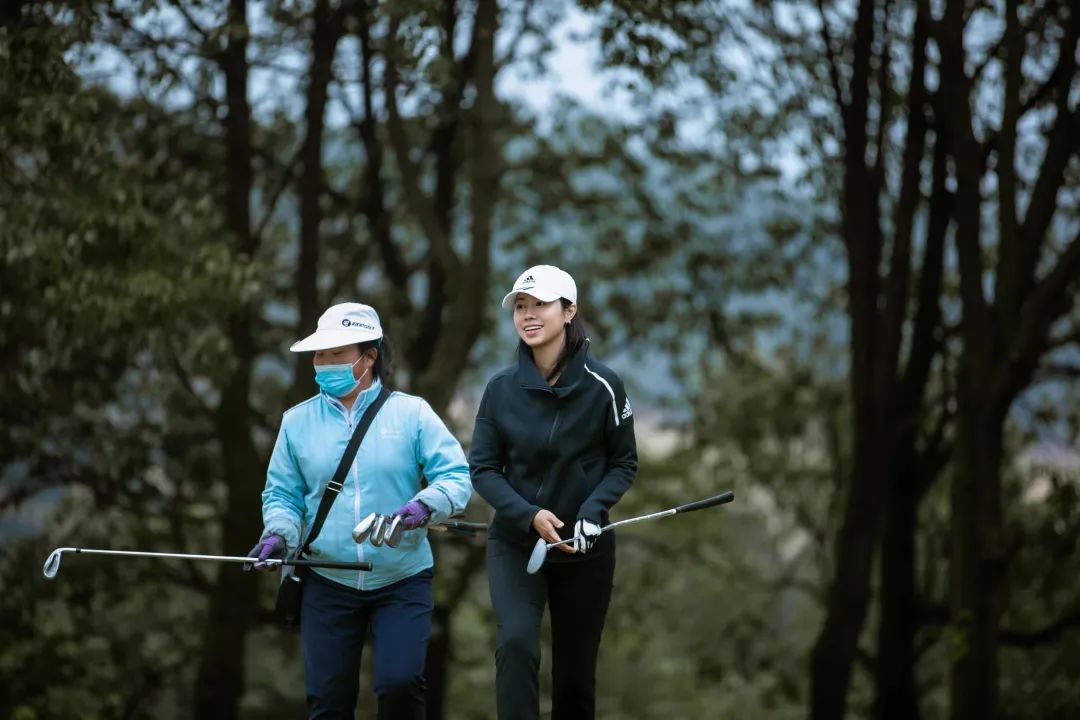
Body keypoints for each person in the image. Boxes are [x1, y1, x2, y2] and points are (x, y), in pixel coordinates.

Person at [246, 301, 472, 720]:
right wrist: (278, 534)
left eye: (338, 354)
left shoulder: (411, 413)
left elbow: (456, 476)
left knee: (400, 685)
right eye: (320, 355)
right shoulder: (296, 423)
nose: (325, 363)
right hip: (326, 579)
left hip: (401, 577)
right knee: (328, 703)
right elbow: (282, 495)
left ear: (369, 358)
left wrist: (425, 505)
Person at [469, 265, 638, 719]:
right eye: (520, 307)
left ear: (569, 311)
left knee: (575, 676)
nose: (528, 315)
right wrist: (528, 514)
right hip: (518, 543)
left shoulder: (605, 386)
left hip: (585, 548)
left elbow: (623, 463)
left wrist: (593, 510)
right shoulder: (501, 390)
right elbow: (483, 469)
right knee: (517, 644)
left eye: (540, 305)